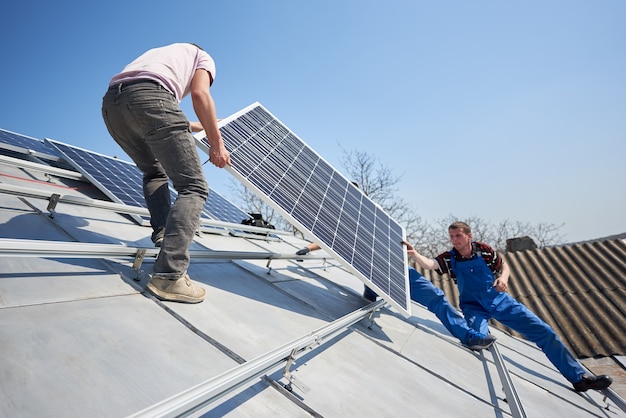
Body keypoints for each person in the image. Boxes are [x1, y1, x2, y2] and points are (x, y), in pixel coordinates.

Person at [403, 221, 613, 392]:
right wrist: (415, 254)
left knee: (544, 332)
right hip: (473, 307)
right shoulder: (449, 258)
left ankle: (579, 379)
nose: (454, 240)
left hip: (500, 302)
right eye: (451, 237)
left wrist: (503, 279)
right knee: (477, 338)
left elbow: (504, 265)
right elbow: (430, 265)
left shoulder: (484, 251)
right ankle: (477, 352)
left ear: (468, 235)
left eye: (458, 236)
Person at [102, 43, 230, 304]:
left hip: (113, 105)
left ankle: (163, 234)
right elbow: (199, 95)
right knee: (193, 186)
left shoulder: (161, 53)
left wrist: (203, 126)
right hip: (151, 98)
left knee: (154, 172)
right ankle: (168, 276)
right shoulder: (202, 56)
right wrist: (217, 144)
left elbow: (151, 103)